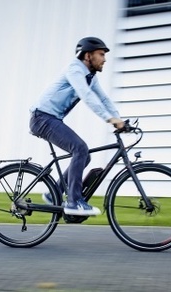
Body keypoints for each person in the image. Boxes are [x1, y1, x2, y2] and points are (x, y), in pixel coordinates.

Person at [29, 37, 125, 216]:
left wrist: (119, 119)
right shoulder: (75, 69)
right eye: (101, 54)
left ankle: (54, 193)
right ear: (88, 56)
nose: (104, 59)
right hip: (42, 118)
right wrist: (109, 119)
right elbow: (86, 95)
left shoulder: (90, 76)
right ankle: (73, 202)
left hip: (51, 118)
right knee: (80, 148)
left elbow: (103, 99)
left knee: (84, 155)